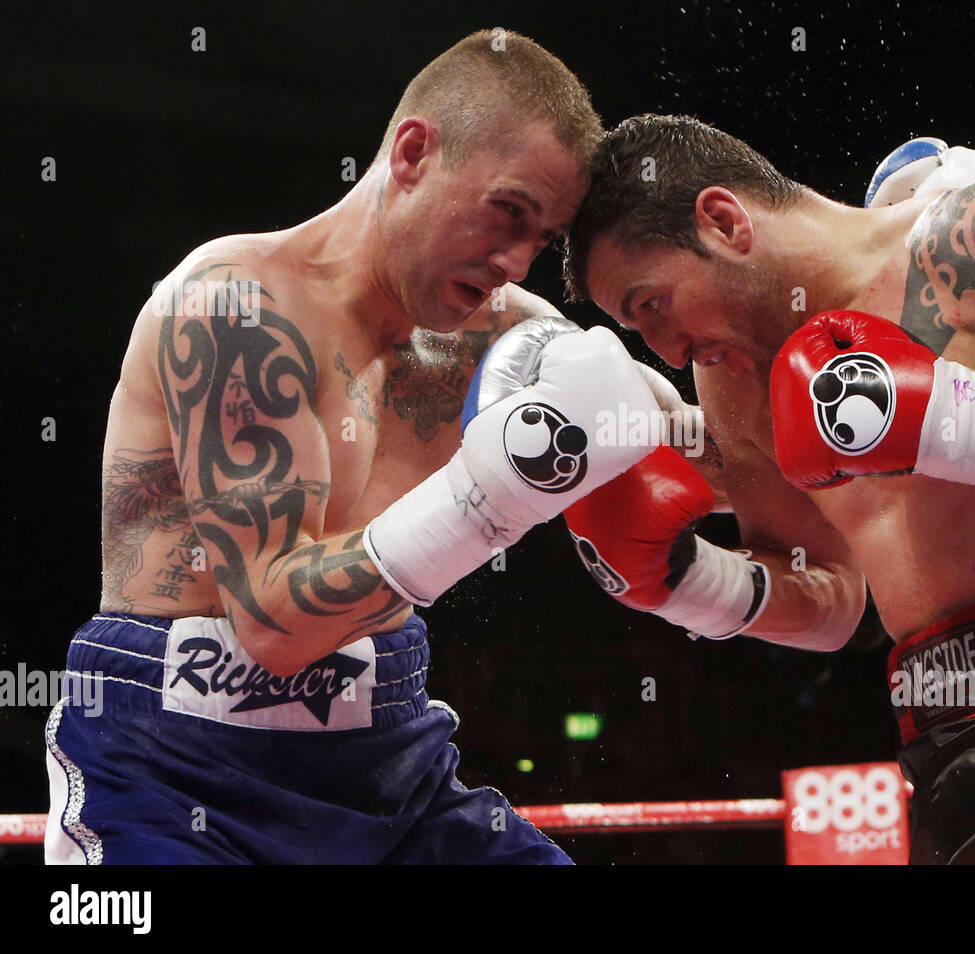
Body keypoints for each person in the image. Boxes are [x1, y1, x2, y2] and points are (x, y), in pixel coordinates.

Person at [44, 30, 665, 865]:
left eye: (542, 239)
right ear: (413, 152)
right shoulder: (235, 307)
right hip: (170, 773)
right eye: (507, 212)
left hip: (390, 772)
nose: (515, 260)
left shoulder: (513, 337)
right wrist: (495, 498)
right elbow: (269, 621)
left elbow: (689, 450)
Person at [560, 116, 975, 863]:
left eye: (651, 302)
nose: (662, 346)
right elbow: (831, 603)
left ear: (722, 221)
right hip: (941, 736)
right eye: (634, 328)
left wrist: (943, 417)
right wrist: (686, 584)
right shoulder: (727, 381)